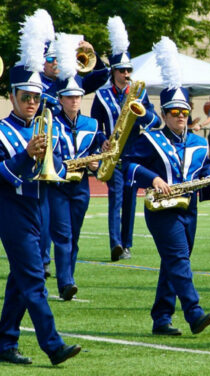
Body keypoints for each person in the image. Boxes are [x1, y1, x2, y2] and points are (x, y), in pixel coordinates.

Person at [123, 36, 210, 336]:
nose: (181, 117)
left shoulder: (198, 143)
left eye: (184, 112)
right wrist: (153, 178)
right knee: (179, 258)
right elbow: (127, 164)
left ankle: (161, 318)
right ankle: (194, 312)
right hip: (161, 208)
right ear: (165, 114)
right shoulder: (151, 139)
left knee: (173, 262)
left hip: (188, 210)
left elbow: (202, 177)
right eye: (174, 113)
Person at [0, 12, 81, 365]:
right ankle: (53, 344)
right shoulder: (2, 131)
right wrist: (25, 156)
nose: (32, 102)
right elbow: (1, 172)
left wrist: (64, 162)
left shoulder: (47, 128)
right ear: (13, 97)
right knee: (34, 279)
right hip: (10, 208)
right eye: (26, 97)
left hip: (40, 205)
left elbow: (59, 166)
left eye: (36, 97)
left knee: (21, 279)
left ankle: (4, 342)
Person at [91, 16, 160, 262]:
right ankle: (115, 244)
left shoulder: (138, 93)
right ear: (113, 72)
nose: (126, 74)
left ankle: (127, 243)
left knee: (130, 199)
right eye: (122, 70)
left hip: (134, 152)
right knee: (115, 197)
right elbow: (94, 126)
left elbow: (156, 120)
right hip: (112, 153)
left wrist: (139, 113)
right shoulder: (101, 96)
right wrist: (102, 140)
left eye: (129, 70)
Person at [48, 33, 106, 301]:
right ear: (60, 99)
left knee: (75, 234)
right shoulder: (50, 122)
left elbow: (102, 149)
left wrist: (98, 160)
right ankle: (65, 281)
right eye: (69, 97)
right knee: (62, 235)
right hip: (57, 185)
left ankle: (67, 279)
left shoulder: (92, 125)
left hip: (81, 184)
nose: (74, 101)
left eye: (78, 97)